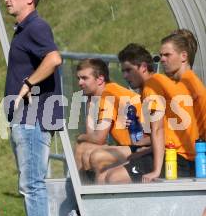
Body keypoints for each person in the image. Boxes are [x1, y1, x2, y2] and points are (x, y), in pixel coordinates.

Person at [4, 0, 63, 216]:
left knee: (32, 185)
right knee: (31, 184)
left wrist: (27, 84)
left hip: (33, 117)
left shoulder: (36, 26)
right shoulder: (24, 29)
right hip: (25, 117)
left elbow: (53, 59)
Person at [105, 40, 200, 184]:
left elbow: (158, 129)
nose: (125, 76)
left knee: (113, 178)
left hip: (177, 158)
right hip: (180, 154)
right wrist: (143, 149)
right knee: (112, 170)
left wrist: (156, 170)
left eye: (128, 70)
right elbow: (166, 132)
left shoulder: (151, 87)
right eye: (123, 71)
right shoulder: (158, 81)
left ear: (143, 67)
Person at [73, 58, 144, 183]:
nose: (80, 82)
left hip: (142, 145)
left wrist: (80, 136)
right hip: (127, 145)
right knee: (81, 149)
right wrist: (91, 104)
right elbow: (93, 136)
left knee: (96, 156)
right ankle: (82, 194)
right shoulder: (95, 98)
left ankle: (94, 194)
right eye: (78, 78)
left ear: (100, 80)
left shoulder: (109, 93)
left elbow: (99, 138)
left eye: (84, 78)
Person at [161, 29, 206, 138]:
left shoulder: (187, 86)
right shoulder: (183, 82)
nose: (162, 59)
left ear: (183, 55)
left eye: (168, 54)